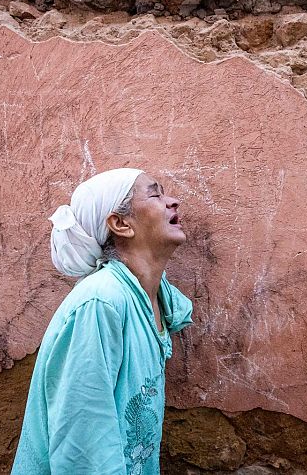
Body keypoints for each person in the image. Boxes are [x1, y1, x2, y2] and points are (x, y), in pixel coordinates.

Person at [12, 168, 193, 475]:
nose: (172, 202)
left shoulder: (154, 300)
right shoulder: (100, 302)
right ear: (120, 224)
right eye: (156, 194)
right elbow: (83, 443)